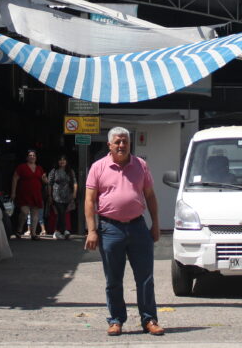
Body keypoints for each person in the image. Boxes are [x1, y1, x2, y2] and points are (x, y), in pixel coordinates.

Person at [84, 127, 165, 337]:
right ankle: (116, 320)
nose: (121, 145)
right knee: (113, 279)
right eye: (117, 142)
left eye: (125, 142)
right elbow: (89, 200)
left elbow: (150, 196)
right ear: (109, 145)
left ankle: (149, 319)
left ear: (130, 144)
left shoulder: (141, 166)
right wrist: (92, 231)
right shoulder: (98, 167)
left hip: (138, 227)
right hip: (110, 229)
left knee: (145, 278)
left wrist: (155, 224)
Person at [11, 149, 47, 240]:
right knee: (25, 212)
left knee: (35, 215)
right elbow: (15, 179)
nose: (32, 157)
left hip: (36, 194)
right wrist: (13, 192)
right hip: (23, 194)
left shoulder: (39, 168)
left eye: (34, 155)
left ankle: (33, 234)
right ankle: (19, 230)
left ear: (36, 157)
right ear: (27, 157)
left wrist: (45, 179)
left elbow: (45, 181)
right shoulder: (21, 167)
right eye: (30, 155)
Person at [47, 154, 78, 239]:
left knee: (62, 213)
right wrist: (49, 195)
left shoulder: (70, 171)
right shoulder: (54, 171)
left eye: (64, 160)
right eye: (60, 160)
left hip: (67, 195)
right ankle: (64, 230)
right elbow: (49, 184)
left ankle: (57, 232)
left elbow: (75, 182)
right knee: (61, 212)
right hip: (56, 195)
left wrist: (75, 193)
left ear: (66, 162)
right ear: (58, 162)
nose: (62, 161)